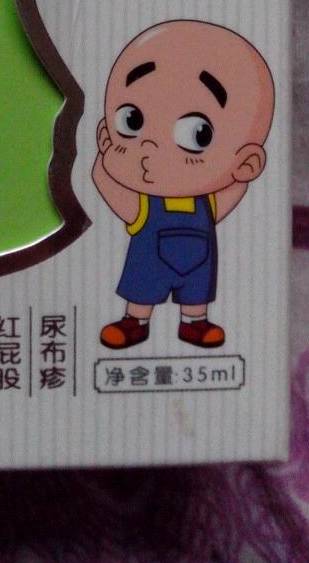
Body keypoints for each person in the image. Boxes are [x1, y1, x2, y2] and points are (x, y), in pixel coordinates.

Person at [92, 20, 275, 349]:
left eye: (197, 135)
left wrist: (239, 176)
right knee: (143, 286)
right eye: (131, 120)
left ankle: (195, 323)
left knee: (196, 291)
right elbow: (106, 185)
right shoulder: (143, 205)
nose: (150, 146)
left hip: (196, 265)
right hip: (153, 262)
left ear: (247, 163)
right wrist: (104, 162)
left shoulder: (208, 203)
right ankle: (135, 321)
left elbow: (236, 188)